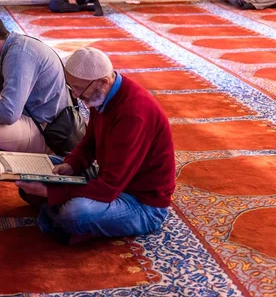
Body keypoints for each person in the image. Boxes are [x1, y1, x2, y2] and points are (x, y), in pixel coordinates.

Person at [16, 47, 175, 244]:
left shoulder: (133, 114)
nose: (75, 94)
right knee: (34, 172)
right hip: (109, 178)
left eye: (78, 90)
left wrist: (51, 193)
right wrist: (71, 165)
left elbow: (110, 187)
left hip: (141, 203)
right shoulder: (101, 96)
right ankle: (62, 219)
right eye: (71, 88)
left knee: (76, 213)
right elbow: (89, 143)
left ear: (103, 82)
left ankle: (63, 220)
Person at [0, 12, 69, 166]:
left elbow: (9, 113)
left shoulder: (18, 55)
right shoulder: (4, 51)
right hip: (25, 117)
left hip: (44, 130)